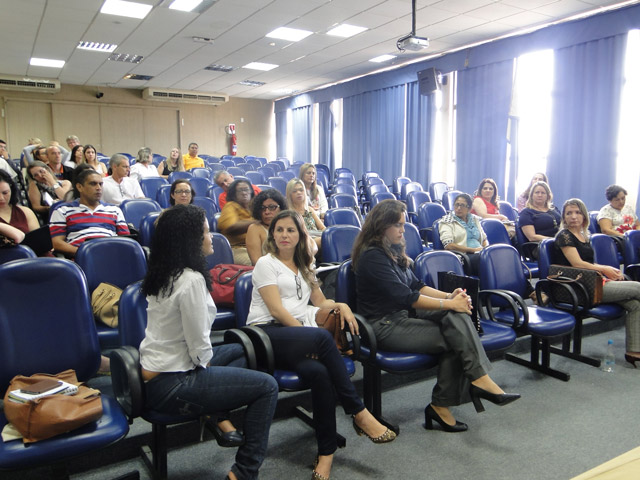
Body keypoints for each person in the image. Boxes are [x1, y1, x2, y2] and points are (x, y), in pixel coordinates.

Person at [247, 210, 396, 480]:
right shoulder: (265, 264)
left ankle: (326, 454)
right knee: (322, 337)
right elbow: (277, 312)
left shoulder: (305, 266)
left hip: (298, 336)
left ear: (300, 235)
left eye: (290, 230)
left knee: (321, 373)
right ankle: (358, 411)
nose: (284, 235)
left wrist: (341, 305)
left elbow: (320, 302)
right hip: (267, 335)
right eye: (279, 230)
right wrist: (307, 338)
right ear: (272, 235)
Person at [353, 200, 520, 433]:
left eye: (403, 224)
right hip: (383, 326)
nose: (403, 230)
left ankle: (472, 384)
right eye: (398, 225)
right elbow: (407, 296)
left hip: (403, 316)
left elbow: (418, 286)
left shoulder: (392, 250)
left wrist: (451, 297)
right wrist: (449, 302)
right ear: (381, 226)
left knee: (457, 317)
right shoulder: (372, 256)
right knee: (457, 336)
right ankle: (454, 397)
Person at [140, 204, 278, 480]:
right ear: (190, 240)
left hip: (159, 373)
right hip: (173, 382)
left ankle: (215, 414)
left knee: (242, 351)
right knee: (267, 386)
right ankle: (244, 471)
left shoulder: (166, 272)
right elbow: (199, 347)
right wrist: (209, 366)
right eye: (205, 231)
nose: (211, 236)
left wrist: (211, 364)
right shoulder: (190, 281)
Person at [554, 198, 640, 368]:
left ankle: (633, 350)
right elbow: (577, 264)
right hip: (578, 288)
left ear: (584, 216)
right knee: (638, 288)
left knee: (635, 304)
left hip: (592, 282)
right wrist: (604, 269)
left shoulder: (584, 235)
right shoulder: (564, 235)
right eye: (569, 213)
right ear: (563, 217)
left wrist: (603, 272)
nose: (573, 216)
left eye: (577, 212)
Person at [49, 169, 130, 257]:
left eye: (100, 184)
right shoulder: (62, 210)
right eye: (93, 184)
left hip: (112, 255)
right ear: (79, 187)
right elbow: (57, 243)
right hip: (82, 258)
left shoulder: (114, 209)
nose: (98, 188)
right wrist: (86, 253)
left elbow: (126, 239)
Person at [438, 193, 488, 276]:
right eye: (457, 205)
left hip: (479, 252)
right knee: (485, 261)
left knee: (494, 257)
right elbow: (448, 245)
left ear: (469, 208)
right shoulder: (447, 221)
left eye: (463, 205)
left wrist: (486, 249)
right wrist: (473, 250)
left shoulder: (474, 219)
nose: (458, 208)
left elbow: (484, 239)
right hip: (463, 256)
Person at [519, 181, 561, 258]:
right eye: (537, 192)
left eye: (543, 193)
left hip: (559, 243)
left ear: (548, 196)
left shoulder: (554, 209)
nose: (540, 195)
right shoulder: (526, 213)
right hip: (541, 247)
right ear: (531, 195)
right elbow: (532, 237)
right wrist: (555, 240)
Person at [218, 179, 255, 265]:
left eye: (246, 189)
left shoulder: (255, 207)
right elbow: (230, 227)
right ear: (234, 195)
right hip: (237, 249)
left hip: (258, 247)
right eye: (240, 190)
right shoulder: (230, 206)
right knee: (257, 264)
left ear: (251, 192)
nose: (244, 193)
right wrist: (257, 223)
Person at [246, 189, 287, 265]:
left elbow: (310, 247)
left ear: (281, 208)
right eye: (262, 208)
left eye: (272, 207)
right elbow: (257, 262)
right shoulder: (255, 229)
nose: (267, 212)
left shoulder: (289, 225)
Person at [286, 178, 325, 250]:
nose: (299, 193)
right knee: (323, 241)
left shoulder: (309, 209)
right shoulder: (287, 213)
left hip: (316, 238)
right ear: (290, 194)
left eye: (301, 190)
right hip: (301, 242)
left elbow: (322, 228)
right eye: (295, 191)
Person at [0, 170, 40, 236]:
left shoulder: (26, 212)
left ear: (11, 191)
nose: (1, 198)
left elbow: (39, 239)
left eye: (5, 193)